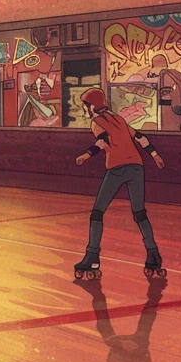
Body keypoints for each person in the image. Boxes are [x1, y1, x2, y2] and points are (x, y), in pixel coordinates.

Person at [73, 87, 166, 279]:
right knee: (139, 213)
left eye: (86, 105)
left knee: (97, 213)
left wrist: (86, 155)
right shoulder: (120, 119)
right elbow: (140, 138)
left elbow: (102, 142)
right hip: (136, 167)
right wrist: (155, 155)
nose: (85, 109)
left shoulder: (97, 121)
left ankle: (92, 256)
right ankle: (153, 254)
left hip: (117, 168)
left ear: (92, 106)